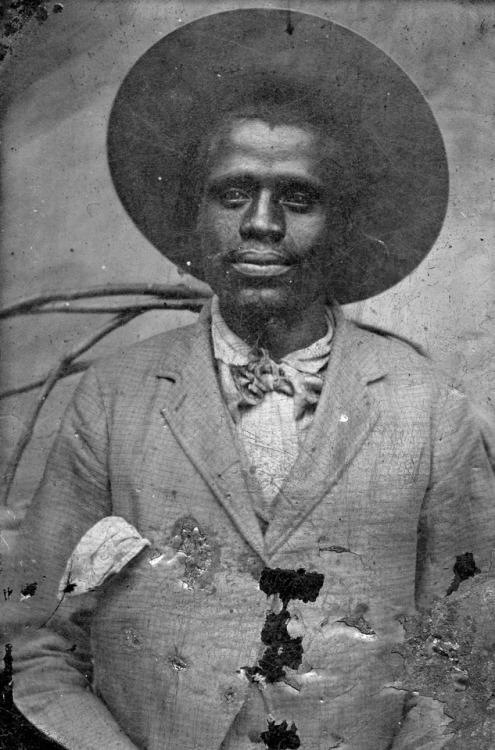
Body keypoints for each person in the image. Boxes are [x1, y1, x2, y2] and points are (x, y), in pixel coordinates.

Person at [3, 9, 495, 750]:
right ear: (193, 216)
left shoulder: (426, 409)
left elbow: (465, 661)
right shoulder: (112, 397)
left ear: (345, 222)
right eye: (233, 193)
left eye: (297, 198)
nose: (261, 224)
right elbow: (38, 638)